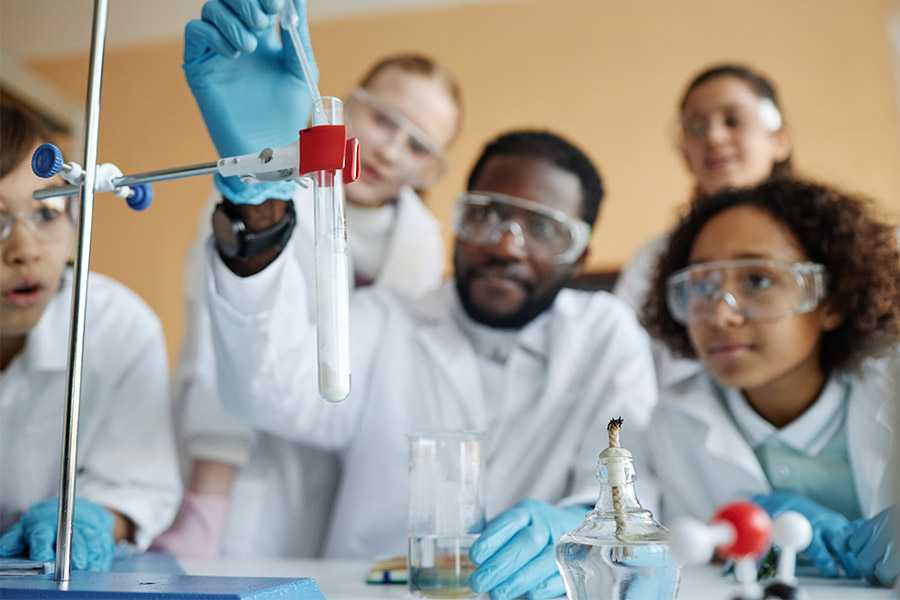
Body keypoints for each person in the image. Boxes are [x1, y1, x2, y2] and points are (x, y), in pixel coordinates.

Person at [152, 0, 463, 559]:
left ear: (430, 169)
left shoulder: (421, 242)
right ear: (348, 104)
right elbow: (215, 343)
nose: (392, 150)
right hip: (223, 465)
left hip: (329, 477)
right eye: (384, 120)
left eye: (418, 145)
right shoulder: (259, 182)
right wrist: (207, 499)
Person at [642, 178, 900, 587]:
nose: (720, 315)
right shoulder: (673, 422)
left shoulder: (892, 394)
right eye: (702, 285)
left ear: (831, 300)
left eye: (758, 280)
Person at [0, 103, 181, 571]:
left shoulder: (118, 326)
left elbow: (138, 486)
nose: (24, 251)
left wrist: (88, 518)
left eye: (46, 214)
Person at [614, 64, 793, 388]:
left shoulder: (824, 242)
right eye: (696, 127)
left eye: (734, 121)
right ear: (685, 155)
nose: (714, 137)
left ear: (779, 141)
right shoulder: (651, 261)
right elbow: (626, 371)